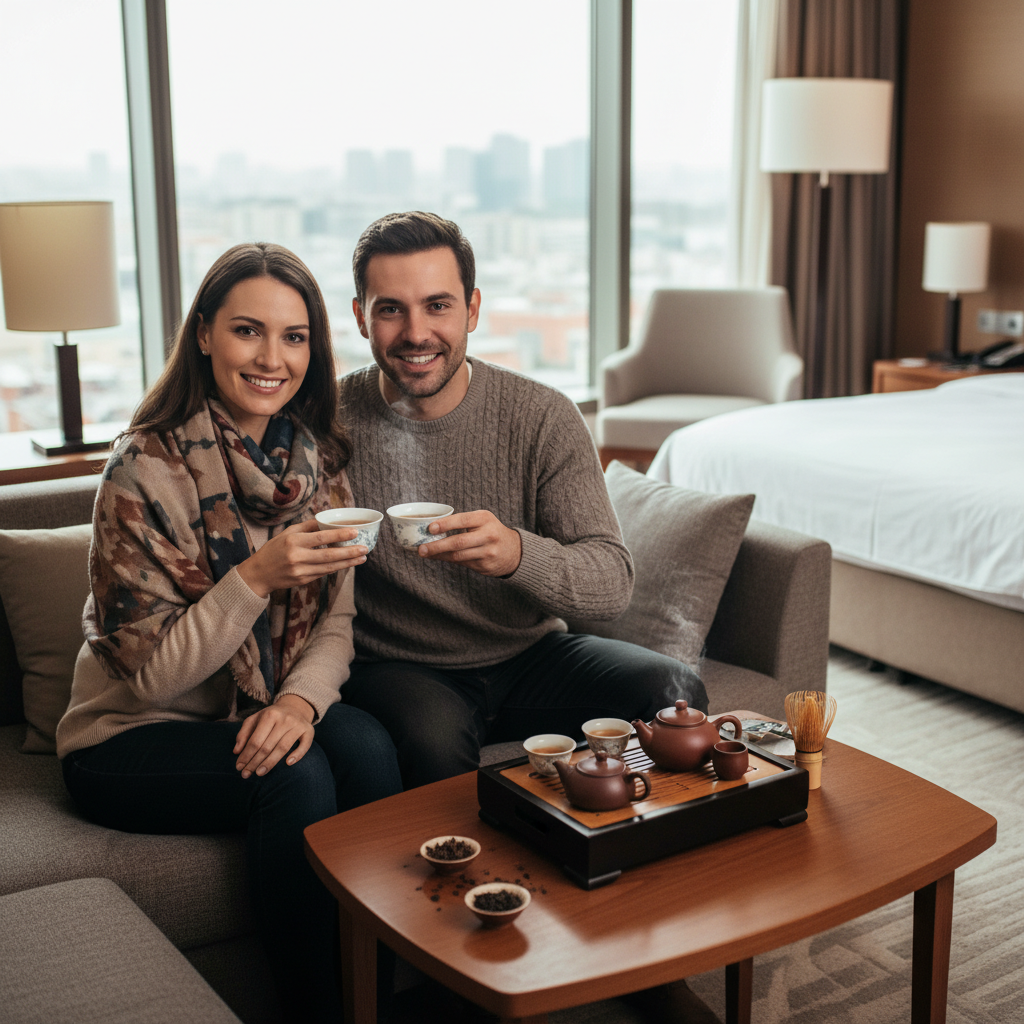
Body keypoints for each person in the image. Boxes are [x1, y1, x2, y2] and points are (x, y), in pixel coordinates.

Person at [56, 242, 402, 1024]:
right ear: (206, 334)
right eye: (249, 331)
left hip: (255, 707)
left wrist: (300, 705)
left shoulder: (319, 462)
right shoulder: (143, 470)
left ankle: (372, 1004)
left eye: (294, 336)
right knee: (295, 777)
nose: (272, 358)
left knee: (369, 747)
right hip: (127, 736)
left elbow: (337, 620)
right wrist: (255, 578)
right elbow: (152, 677)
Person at [338, 211, 708, 789]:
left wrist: (516, 554)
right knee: (431, 739)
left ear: (472, 309)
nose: (416, 332)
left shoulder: (542, 416)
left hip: (531, 658)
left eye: (438, 305)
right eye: (391, 309)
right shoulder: (329, 422)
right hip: (400, 668)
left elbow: (612, 582)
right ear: (361, 317)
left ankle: (630, 833)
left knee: (673, 692)